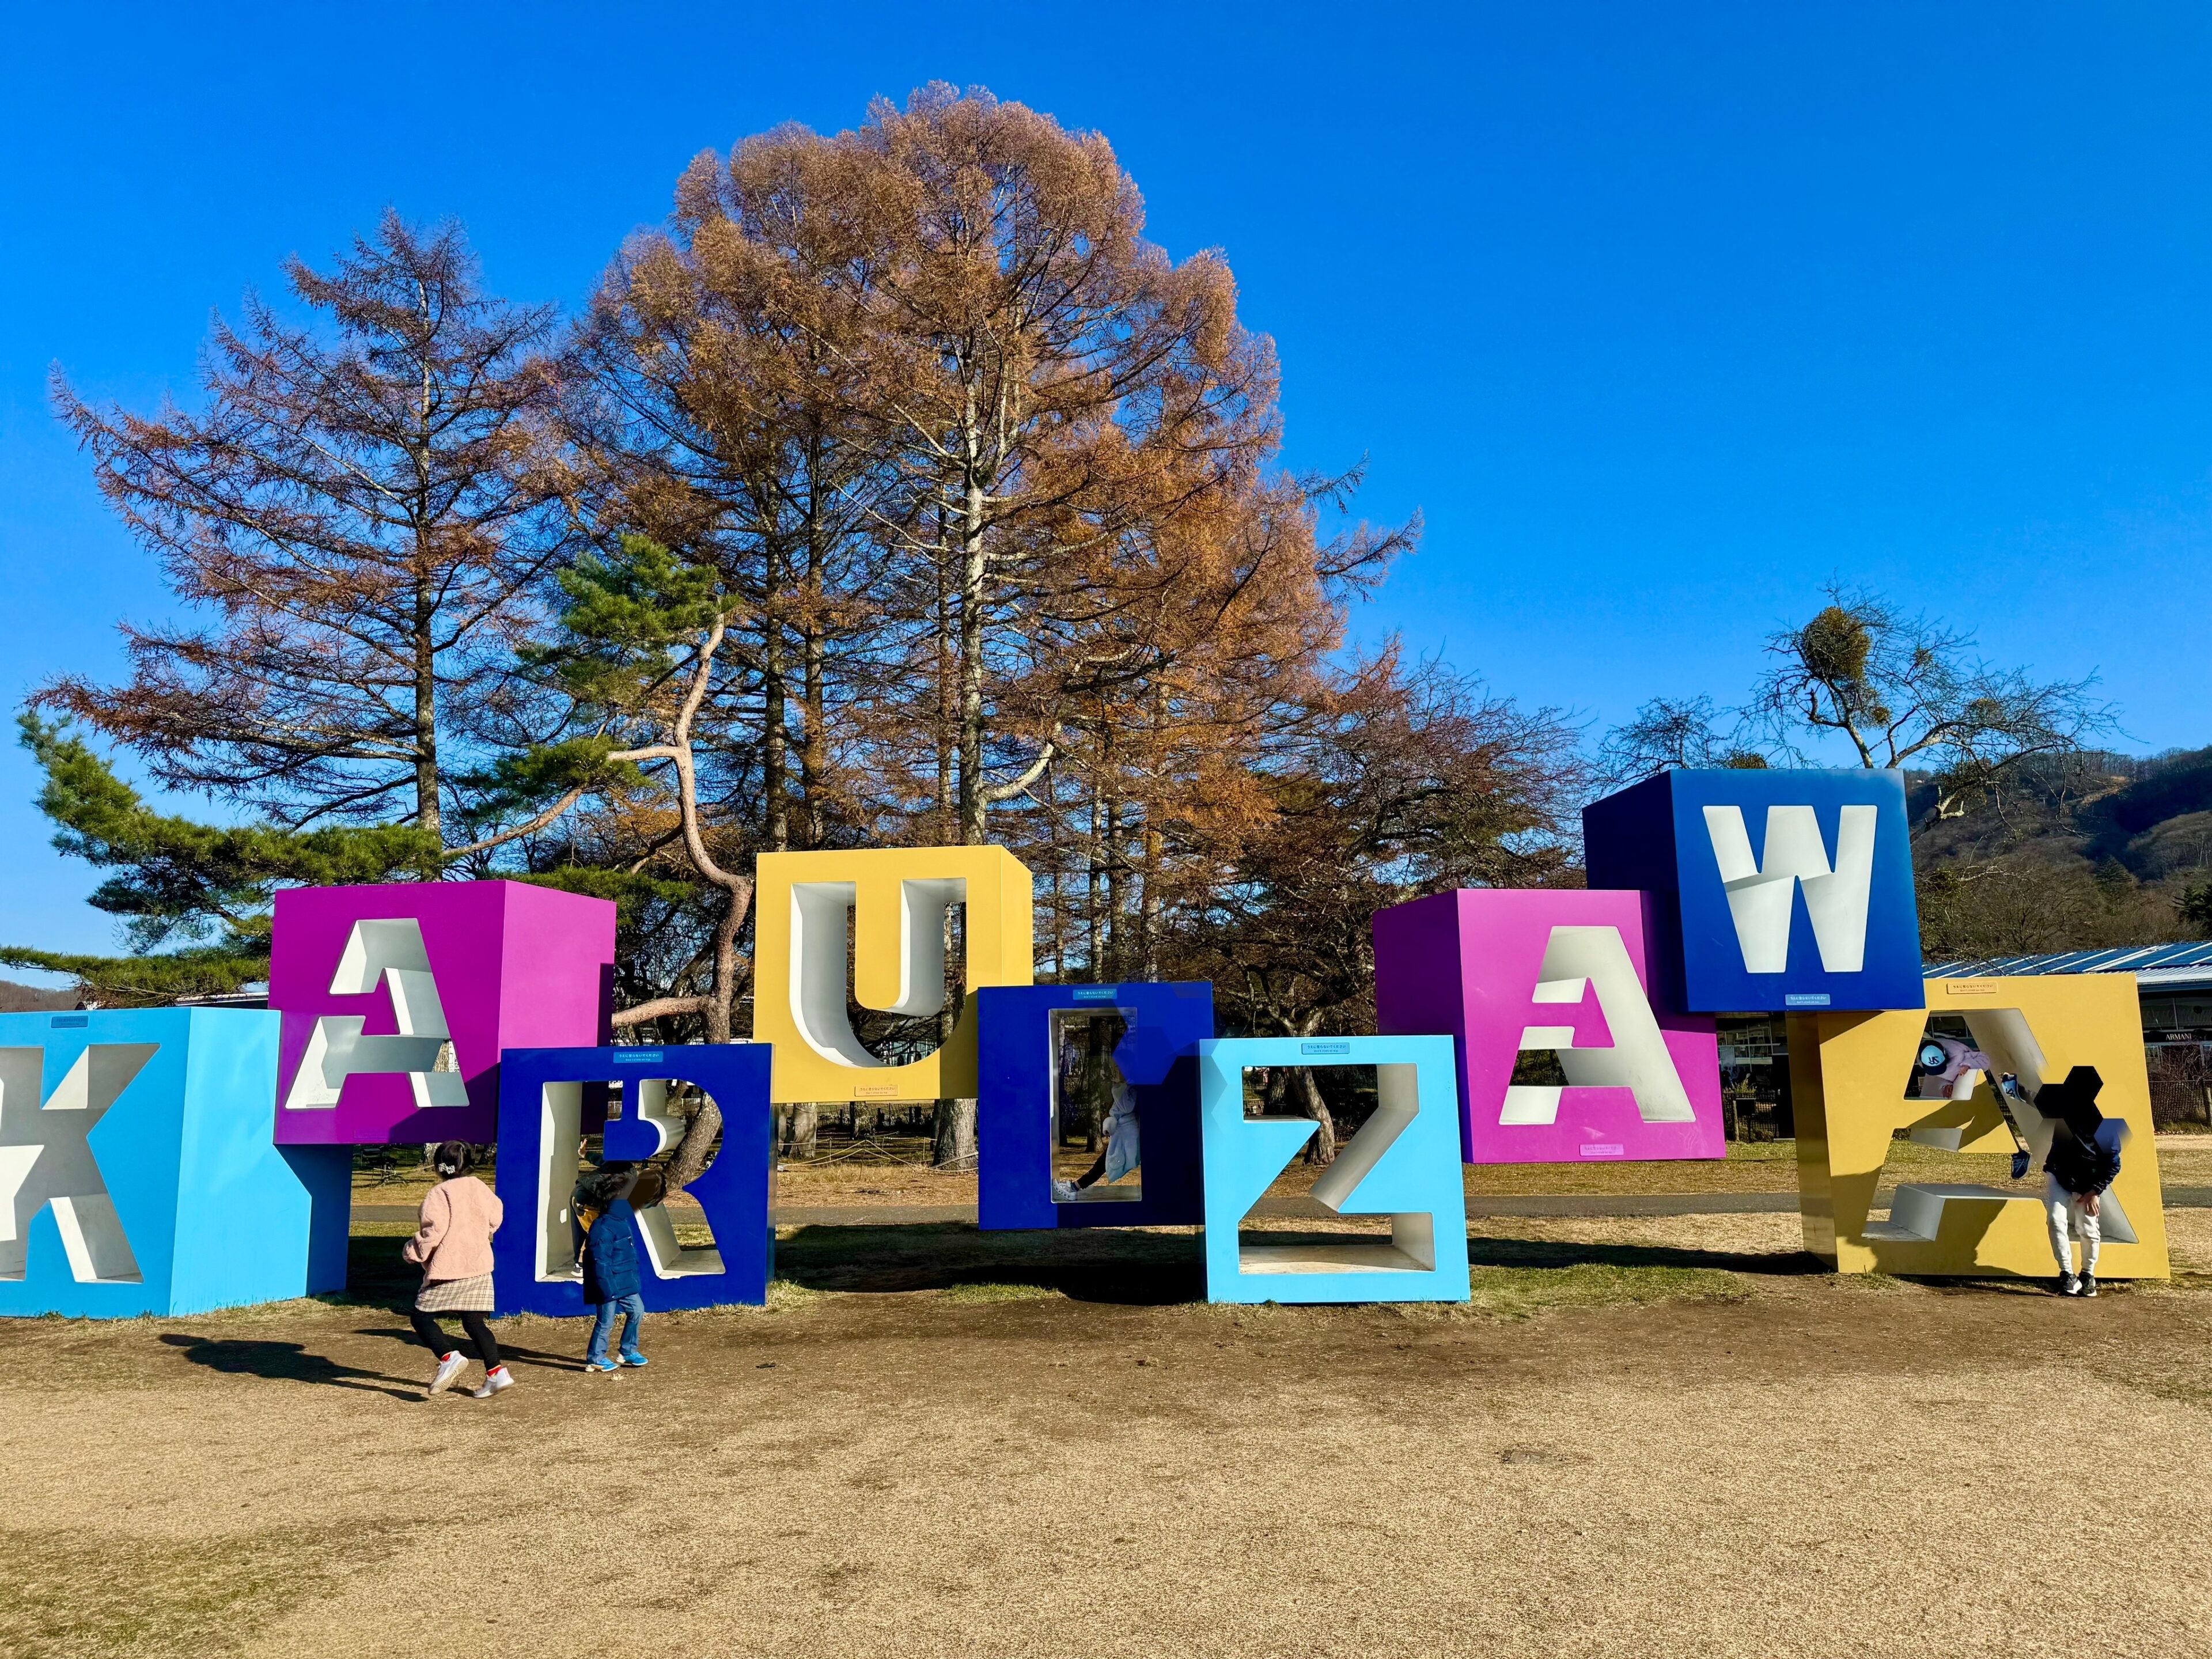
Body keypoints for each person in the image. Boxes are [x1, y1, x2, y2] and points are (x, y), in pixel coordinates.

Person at [403, 1140, 512, 1397]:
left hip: (450, 1267)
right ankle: (496, 1373)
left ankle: (448, 1357)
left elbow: (433, 1233)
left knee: (421, 1317)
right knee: (474, 1322)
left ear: (439, 1166)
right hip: (480, 1265)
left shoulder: (439, 1194)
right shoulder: (480, 1187)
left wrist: (412, 1252)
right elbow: (496, 1217)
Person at [2039, 1066, 2122, 1298]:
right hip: (2061, 1174)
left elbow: (2113, 1163)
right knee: (2055, 1220)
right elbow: (2034, 1101)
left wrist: (2095, 1190)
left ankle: (2087, 1275)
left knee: (2087, 1228)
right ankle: (2066, 1273)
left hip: (2089, 1182)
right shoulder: (2063, 1111)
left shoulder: (2106, 1126)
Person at [580, 1165, 649, 1374]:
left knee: (637, 1311)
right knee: (605, 1322)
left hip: (625, 1283)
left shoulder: (621, 1222)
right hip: (607, 1284)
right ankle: (595, 1358)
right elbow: (599, 1260)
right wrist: (605, 1287)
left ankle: (627, 1351)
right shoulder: (602, 1226)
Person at [1053, 1080, 1139, 1202]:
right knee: (1102, 1164)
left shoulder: (1125, 1096)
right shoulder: (1133, 1095)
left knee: (1102, 1164)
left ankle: (1075, 1187)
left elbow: (1112, 1121)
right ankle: (1075, 1187)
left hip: (1124, 1138)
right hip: (1129, 1138)